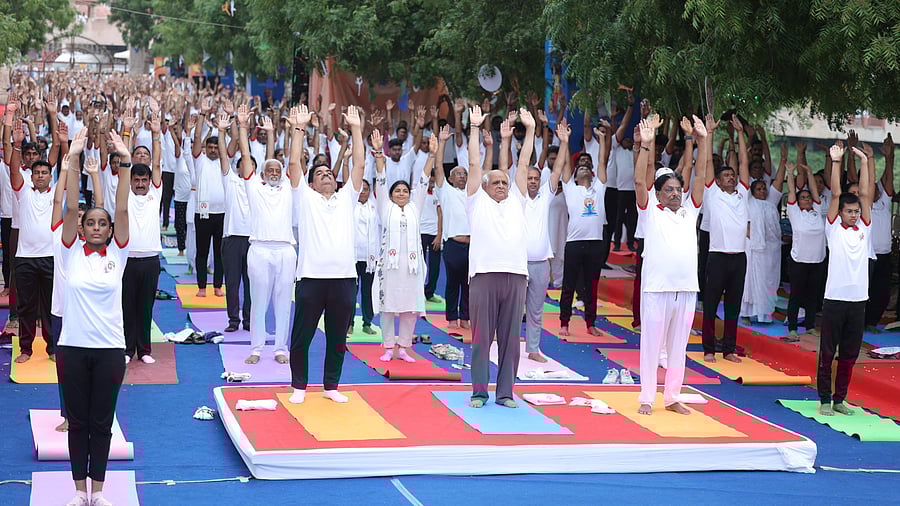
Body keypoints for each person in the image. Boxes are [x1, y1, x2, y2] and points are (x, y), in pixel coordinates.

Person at [56, 127, 131, 506]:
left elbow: (120, 207)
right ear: (82, 228)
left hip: (109, 350)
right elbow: (71, 205)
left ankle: (97, 492)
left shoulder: (118, 254)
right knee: (78, 423)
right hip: (71, 348)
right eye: (91, 223)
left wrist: (124, 161)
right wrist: (73, 156)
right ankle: (76, 491)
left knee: (102, 423)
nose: (98, 227)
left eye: (102, 224)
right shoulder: (70, 251)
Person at [287, 105, 365, 405]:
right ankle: (299, 386)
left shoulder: (347, 198)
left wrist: (356, 129)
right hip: (311, 278)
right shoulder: (305, 199)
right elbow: (294, 163)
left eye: (330, 173)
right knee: (302, 336)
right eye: (319, 174)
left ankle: (331, 386)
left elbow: (358, 165)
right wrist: (299, 130)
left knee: (337, 338)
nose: (326, 176)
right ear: (311, 183)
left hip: (344, 279)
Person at [636, 114, 708, 416]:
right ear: (659, 193)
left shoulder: (690, 210)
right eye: (669, 189)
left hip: (686, 288)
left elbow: (701, 176)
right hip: (657, 288)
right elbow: (641, 180)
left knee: (679, 348)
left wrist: (703, 141)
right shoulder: (651, 210)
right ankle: (646, 397)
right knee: (652, 346)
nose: (676, 193)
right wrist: (647, 145)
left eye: (679, 188)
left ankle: (673, 396)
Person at [465, 105, 530, 408]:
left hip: (516, 275)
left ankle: (505, 392)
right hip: (484, 275)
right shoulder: (477, 202)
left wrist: (529, 131)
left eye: (505, 182)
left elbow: (525, 161)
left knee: (511, 340)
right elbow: (475, 162)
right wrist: (476, 128)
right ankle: (479, 391)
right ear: (485, 187)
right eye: (497, 183)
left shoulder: (518, 202)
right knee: (481, 338)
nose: (503, 186)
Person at [234, 104, 297, 365]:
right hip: (259, 250)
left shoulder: (288, 189)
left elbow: (292, 160)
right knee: (258, 302)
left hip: (285, 250)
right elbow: (247, 157)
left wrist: (289, 130)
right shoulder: (254, 188)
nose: (274, 173)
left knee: (283, 303)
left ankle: (280, 348)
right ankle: (257, 348)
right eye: (269, 171)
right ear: (260, 175)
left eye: (277, 171)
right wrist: (242, 126)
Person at [371, 130, 433, 362]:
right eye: (397, 191)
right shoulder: (385, 207)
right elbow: (381, 178)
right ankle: (388, 347)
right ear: (390, 194)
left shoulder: (415, 206)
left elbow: (424, 179)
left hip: (412, 267)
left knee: (409, 308)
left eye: (405, 191)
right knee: (388, 307)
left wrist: (433, 156)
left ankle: (404, 348)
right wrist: (379, 152)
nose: (401, 193)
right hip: (390, 265)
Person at [818, 143, 871, 416]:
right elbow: (837, 193)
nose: (854, 215)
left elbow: (864, 193)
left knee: (850, 353)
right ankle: (825, 399)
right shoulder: (833, 229)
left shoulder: (864, 228)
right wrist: (836, 162)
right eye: (849, 212)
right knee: (828, 352)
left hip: (858, 300)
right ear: (840, 213)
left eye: (856, 212)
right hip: (835, 299)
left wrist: (863, 161)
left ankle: (841, 399)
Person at [8, 119, 56, 363]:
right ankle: (25, 349)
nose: (39, 176)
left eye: (44, 172)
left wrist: (63, 143)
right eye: (36, 173)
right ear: (32, 176)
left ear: (50, 175)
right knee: (26, 307)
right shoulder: (23, 190)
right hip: (25, 258)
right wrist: (16, 144)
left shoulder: (57, 192)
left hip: (50, 257)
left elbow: (62, 160)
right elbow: (14, 170)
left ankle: (52, 349)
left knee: (50, 307)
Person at [702, 115, 749, 363]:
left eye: (733, 175)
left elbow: (743, 161)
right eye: (727, 176)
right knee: (710, 305)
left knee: (733, 306)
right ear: (718, 181)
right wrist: (709, 133)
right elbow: (708, 161)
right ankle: (709, 349)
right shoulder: (713, 194)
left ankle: (729, 349)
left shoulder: (742, 193)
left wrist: (740, 134)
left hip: (739, 258)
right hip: (718, 256)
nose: (732, 177)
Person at [559, 113, 609, 337]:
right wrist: (565, 141)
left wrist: (602, 139)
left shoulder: (599, 188)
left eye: (586, 169)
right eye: (579, 170)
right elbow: (566, 165)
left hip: (595, 243)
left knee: (591, 286)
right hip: (574, 243)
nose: (584, 170)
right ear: (575, 177)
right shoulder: (571, 189)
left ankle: (591, 323)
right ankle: (564, 323)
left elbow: (601, 161)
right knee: (569, 285)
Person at [122, 99, 163, 364]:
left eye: (143, 180)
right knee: (126, 308)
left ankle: (145, 350)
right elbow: (125, 162)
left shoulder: (155, 193)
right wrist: (126, 131)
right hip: (126, 258)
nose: (139, 184)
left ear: (150, 181)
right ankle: (127, 350)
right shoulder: (124, 192)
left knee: (146, 307)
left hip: (150, 259)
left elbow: (157, 163)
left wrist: (157, 133)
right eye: (136, 180)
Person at [520, 118, 564, 363]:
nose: (533, 181)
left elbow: (556, 170)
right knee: (514, 310)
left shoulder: (547, 196)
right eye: (529, 178)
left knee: (536, 310)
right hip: (517, 262)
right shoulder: (517, 197)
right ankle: (508, 343)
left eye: (536, 178)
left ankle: (533, 349)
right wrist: (531, 131)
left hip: (540, 264)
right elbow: (521, 164)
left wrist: (564, 143)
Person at [216, 110, 254, 332]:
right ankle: (233, 321)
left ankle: (249, 320)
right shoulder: (230, 180)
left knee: (251, 284)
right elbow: (223, 155)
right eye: (243, 165)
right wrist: (221, 131)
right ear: (238, 168)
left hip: (252, 239)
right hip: (231, 238)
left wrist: (244, 127)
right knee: (232, 283)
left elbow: (267, 157)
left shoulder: (258, 184)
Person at [432, 126, 471, 329]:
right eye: (458, 174)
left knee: (469, 284)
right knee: (453, 283)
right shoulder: (445, 191)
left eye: (465, 174)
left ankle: (466, 318)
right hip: (454, 245)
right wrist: (442, 142)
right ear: (450, 178)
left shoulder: (473, 194)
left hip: (472, 245)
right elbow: (438, 167)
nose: (462, 176)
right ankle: (452, 318)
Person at [740, 159, 786, 323]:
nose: (762, 191)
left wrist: (783, 161)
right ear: (751, 192)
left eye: (764, 188)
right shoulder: (748, 202)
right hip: (753, 248)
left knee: (769, 281)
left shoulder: (770, 203)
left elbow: (779, 182)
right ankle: (746, 313)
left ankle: (765, 314)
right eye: (758, 189)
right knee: (750, 281)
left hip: (771, 250)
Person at [784, 163, 825, 339]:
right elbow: (792, 192)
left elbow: (815, 193)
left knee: (813, 296)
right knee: (796, 295)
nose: (807, 199)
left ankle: (810, 325)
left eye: (808, 197)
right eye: (803, 198)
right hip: (799, 261)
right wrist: (790, 173)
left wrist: (809, 172)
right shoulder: (795, 213)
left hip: (817, 261)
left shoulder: (817, 211)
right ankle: (792, 327)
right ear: (797, 202)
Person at [191, 101, 226, 298]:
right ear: (205, 148)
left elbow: (233, 143)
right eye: (210, 147)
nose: (213, 150)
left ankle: (218, 286)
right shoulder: (200, 160)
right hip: (202, 213)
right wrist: (202, 114)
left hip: (222, 214)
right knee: (202, 252)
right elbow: (197, 137)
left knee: (220, 254)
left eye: (215, 147)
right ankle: (202, 287)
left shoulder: (224, 162)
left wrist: (226, 126)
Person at [353, 178, 380, 335]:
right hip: (353, 256)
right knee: (351, 292)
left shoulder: (374, 205)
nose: (363, 192)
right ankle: (348, 323)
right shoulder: (349, 205)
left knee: (368, 291)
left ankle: (367, 322)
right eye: (360, 189)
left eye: (366, 189)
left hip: (370, 257)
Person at [420, 173, 443, 303]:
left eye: (433, 182)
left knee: (435, 267)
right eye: (429, 182)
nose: (431, 185)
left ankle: (430, 292)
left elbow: (440, 214)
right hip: (421, 233)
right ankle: (417, 293)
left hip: (434, 233)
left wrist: (439, 235)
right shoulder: (416, 193)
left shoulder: (437, 194)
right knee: (419, 266)